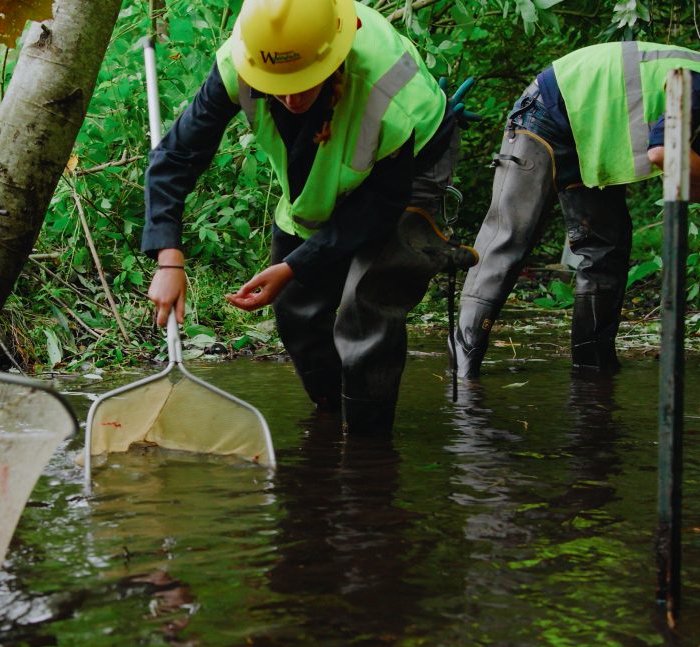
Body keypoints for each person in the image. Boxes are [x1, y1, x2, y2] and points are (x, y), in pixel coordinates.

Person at [142, 0, 476, 437]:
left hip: (412, 166)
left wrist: (295, 264)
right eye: (277, 85)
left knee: (367, 303)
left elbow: (376, 207)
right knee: (297, 308)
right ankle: (330, 417)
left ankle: (367, 449)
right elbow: (177, 157)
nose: (291, 97)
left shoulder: (386, 92)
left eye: (303, 82)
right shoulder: (241, 62)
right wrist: (169, 259)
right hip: (322, 173)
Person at [448, 21, 700, 378]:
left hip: (588, 142)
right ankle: (463, 366)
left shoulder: (699, 86)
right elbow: (664, 154)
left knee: (607, 248)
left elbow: (685, 183)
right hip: (548, 115)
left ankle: (593, 368)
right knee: (510, 239)